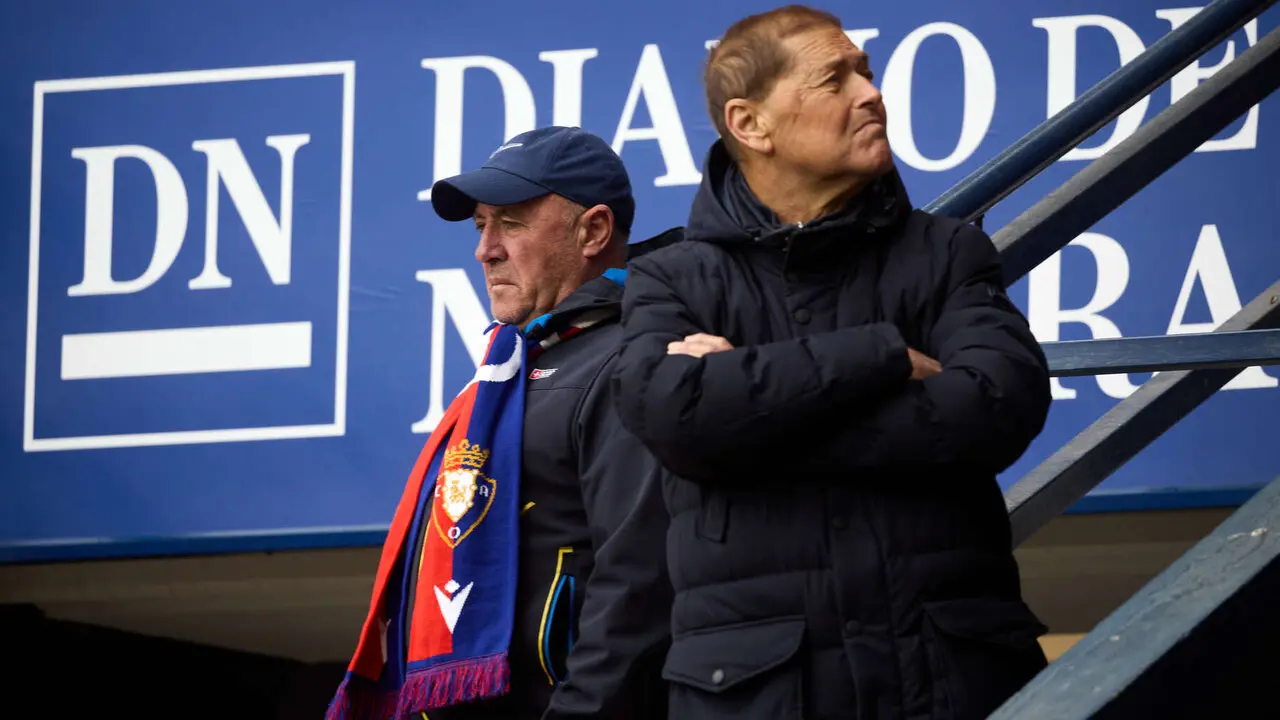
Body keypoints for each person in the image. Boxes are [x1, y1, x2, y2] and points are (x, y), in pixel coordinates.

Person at [610, 6, 1053, 720]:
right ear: (750, 124)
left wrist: (753, 412)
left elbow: (1000, 404)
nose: (870, 93)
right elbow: (674, 413)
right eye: (833, 79)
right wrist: (877, 354)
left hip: (952, 684)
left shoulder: (947, 252)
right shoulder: (671, 278)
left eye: (866, 73)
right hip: (759, 697)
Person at [329, 126, 677, 720]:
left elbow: (640, 589)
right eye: (480, 226)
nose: (485, 249)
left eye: (510, 223)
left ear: (593, 231)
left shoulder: (632, 359)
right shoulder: (510, 370)